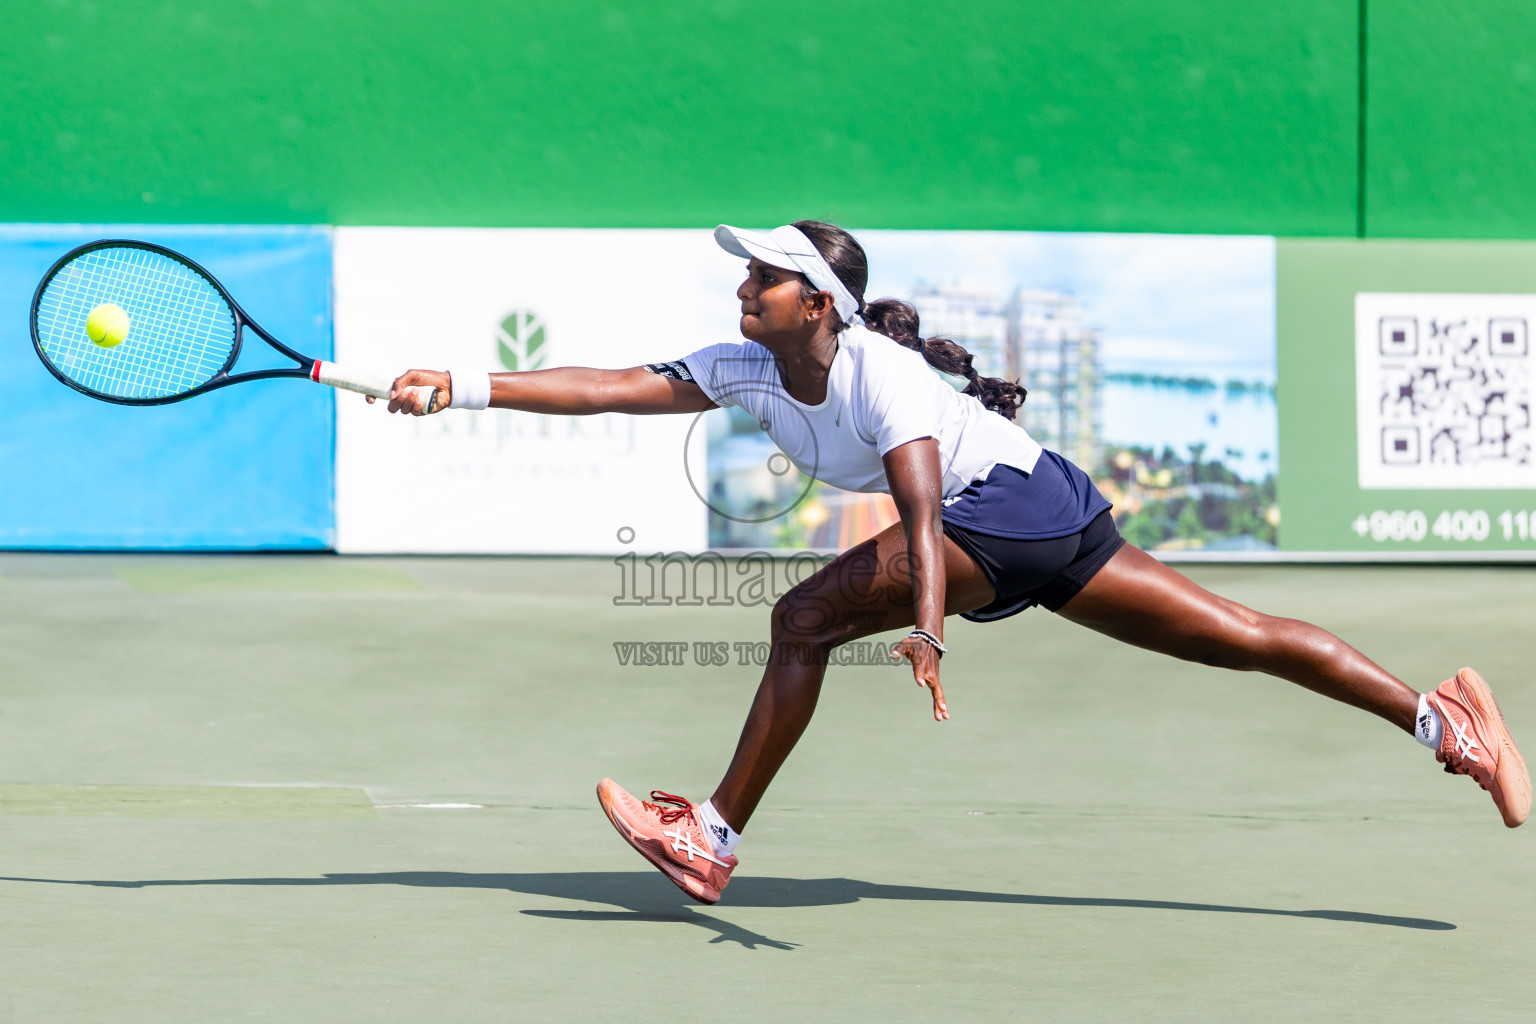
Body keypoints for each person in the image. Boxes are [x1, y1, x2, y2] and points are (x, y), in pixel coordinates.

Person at [375, 221, 1531, 905]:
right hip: (1054, 502)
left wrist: (926, 625)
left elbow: (925, 511)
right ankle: (1444, 723)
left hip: (1002, 513)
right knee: (1238, 637)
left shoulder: (883, 374)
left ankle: (711, 836)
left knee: (801, 619)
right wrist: (462, 381)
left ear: (815, 302)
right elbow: (608, 387)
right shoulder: (745, 363)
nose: (741, 289)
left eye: (761, 278)